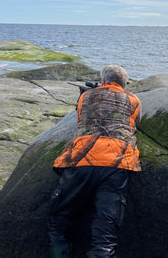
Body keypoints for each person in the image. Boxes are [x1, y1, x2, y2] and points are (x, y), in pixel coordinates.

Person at [47, 65, 142, 258]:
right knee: (105, 235)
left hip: (82, 161)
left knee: (57, 221)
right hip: (117, 165)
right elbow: (136, 122)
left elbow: (81, 117)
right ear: (124, 85)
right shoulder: (134, 100)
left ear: (104, 81)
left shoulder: (86, 96)